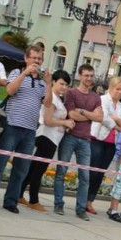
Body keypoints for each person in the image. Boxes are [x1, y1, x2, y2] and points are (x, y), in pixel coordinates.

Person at [0, 45, 52, 213]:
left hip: (29, 130)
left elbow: (48, 103)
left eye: (39, 58)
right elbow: (10, 90)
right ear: (26, 59)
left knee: (21, 168)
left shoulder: (42, 81)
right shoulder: (16, 72)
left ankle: (11, 200)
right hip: (12, 125)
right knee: (0, 164)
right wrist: (24, 73)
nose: (36, 61)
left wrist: (49, 84)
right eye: (33, 58)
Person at [18, 70, 75, 212]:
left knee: (33, 168)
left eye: (66, 85)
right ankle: (33, 200)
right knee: (39, 170)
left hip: (51, 138)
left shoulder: (57, 98)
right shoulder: (53, 99)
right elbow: (47, 120)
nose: (64, 87)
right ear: (54, 82)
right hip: (47, 137)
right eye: (61, 83)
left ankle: (19, 194)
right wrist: (65, 122)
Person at [52, 64, 103, 221]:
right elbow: (71, 114)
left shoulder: (96, 97)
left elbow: (100, 118)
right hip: (70, 136)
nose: (89, 79)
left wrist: (82, 112)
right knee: (61, 171)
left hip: (86, 139)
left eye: (91, 76)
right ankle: (58, 203)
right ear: (80, 76)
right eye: (86, 75)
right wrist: (90, 115)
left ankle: (81, 208)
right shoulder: (71, 93)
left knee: (85, 176)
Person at [86, 77, 121, 215]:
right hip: (98, 138)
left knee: (100, 173)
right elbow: (103, 118)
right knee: (92, 171)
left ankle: (90, 201)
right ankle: (83, 199)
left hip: (111, 144)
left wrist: (117, 120)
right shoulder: (103, 100)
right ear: (110, 88)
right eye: (117, 89)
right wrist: (118, 125)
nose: (119, 92)